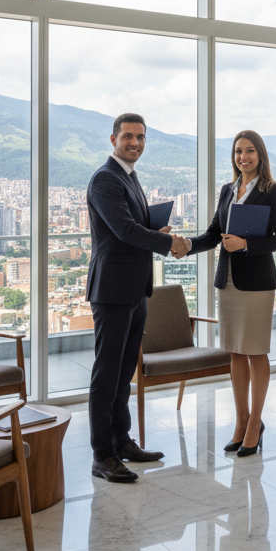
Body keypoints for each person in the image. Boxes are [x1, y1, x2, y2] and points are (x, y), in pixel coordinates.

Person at [85, 112, 180, 483]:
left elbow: (135, 226)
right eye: (127, 137)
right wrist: (168, 241)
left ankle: (122, 441)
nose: (135, 143)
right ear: (113, 140)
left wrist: (157, 230)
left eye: (140, 137)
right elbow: (124, 231)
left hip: (135, 289)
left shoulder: (130, 177)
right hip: (111, 290)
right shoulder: (105, 179)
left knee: (124, 372)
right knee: (106, 375)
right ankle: (101, 455)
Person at [186, 130, 276, 457]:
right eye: (237, 152)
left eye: (249, 151)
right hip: (228, 281)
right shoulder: (227, 190)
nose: (242, 157)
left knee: (255, 352)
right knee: (235, 352)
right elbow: (213, 234)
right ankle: (241, 420)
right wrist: (185, 246)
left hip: (258, 283)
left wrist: (246, 244)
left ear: (260, 154)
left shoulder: (273, 191)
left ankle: (256, 422)